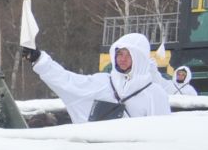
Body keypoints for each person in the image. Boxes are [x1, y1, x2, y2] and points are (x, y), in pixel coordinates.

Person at [21, 33, 171, 122]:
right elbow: (68, 82)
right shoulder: (104, 82)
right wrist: (39, 60)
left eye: (127, 54)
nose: (122, 58)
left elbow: (161, 137)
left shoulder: (155, 94)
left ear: (139, 57)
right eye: (119, 53)